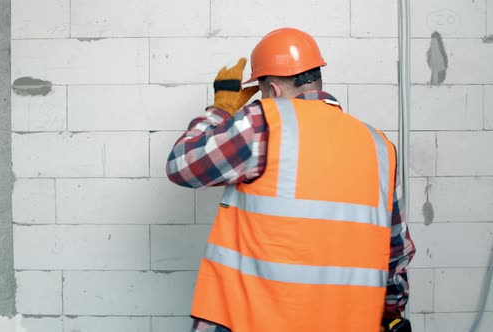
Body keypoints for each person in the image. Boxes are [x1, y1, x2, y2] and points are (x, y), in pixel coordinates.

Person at [166, 27, 416, 332]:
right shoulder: (379, 146)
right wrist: (391, 314)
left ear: (273, 88)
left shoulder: (263, 122)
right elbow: (397, 253)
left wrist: (221, 109)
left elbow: (182, 164)